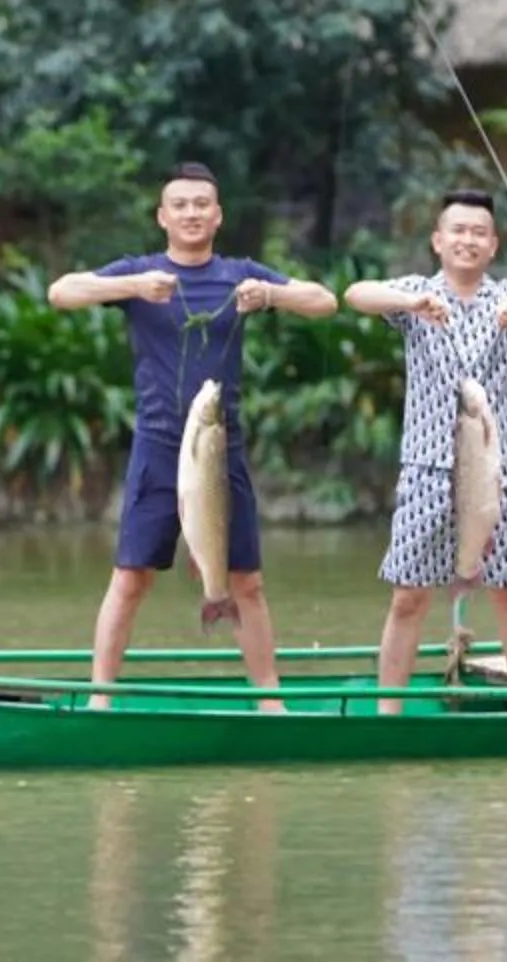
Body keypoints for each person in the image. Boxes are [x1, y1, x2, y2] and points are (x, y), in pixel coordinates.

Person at [49, 163, 338, 709]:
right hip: (158, 448)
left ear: (218, 214)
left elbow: (325, 301)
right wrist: (133, 286)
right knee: (131, 578)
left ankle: (270, 701)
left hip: (220, 450)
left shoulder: (239, 275)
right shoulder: (141, 273)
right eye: (179, 204)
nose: (191, 213)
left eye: (201, 204)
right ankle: (100, 698)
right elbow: (60, 292)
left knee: (246, 583)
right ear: (162, 216)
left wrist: (271, 297)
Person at [343, 190, 507, 713]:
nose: (467, 240)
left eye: (479, 233)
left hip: (498, 475)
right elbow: (356, 293)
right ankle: (389, 714)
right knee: (408, 596)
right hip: (426, 472)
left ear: (493, 245)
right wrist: (410, 305)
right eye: (458, 231)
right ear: (438, 240)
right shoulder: (414, 296)